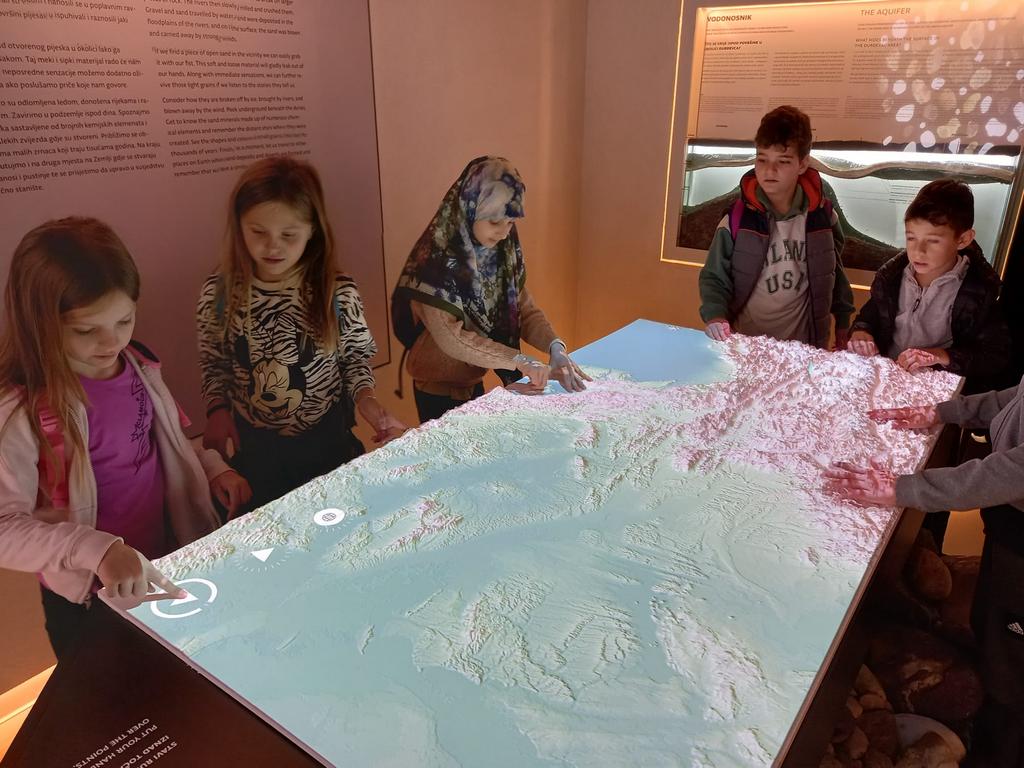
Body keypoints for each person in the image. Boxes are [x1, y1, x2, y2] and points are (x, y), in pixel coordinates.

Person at [0, 217, 246, 657]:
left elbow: (166, 440)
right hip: (89, 599)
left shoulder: (137, 365)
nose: (110, 341)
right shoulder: (21, 409)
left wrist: (213, 468)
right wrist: (98, 551)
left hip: (163, 563)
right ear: (40, 324)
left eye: (124, 320)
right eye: (86, 330)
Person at [824, 388, 1024, 765]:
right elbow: (1018, 397)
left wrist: (904, 488)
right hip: (1009, 528)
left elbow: (1012, 471)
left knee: (1012, 669)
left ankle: (999, 749)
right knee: (991, 620)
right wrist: (948, 411)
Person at [198, 156, 406, 514]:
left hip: (327, 442)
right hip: (257, 450)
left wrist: (368, 401)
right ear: (239, 226)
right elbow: (214, 362)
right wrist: (216, 409)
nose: (272, 246)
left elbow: (354, 359)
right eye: (258, 232)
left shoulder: (336, 292)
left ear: (312, 231)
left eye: (288, 235)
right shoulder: (218, 294)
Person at [391, 155, 590, 423]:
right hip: (436, 389)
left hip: (473, 379)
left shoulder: (499, 254)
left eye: (511, 222)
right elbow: (453, 339)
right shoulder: (435, 262)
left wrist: (556, 347)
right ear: (470, 209)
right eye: (495, 222)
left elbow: (523, 310)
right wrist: (518, 360)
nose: (504, 233)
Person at [699, 105, 855, 350]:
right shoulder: (737, 219)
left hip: (804, 348)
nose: (769, 170)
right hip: (745, 344)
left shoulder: (823, 217)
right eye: (762, 159)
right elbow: (714, 276)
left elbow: (834, 272)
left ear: (802, 164)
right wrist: (715, 315)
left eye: (783, 161)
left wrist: (843, 322)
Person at [847, 179, 1009, 388]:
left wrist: (942, 356)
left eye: (933, 241)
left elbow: (995, 355)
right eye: (911, 238)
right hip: (886, 380)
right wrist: (861, 332)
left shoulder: (978, 293)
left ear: (963, 239)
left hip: (935, 390)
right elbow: (869, 316)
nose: (918, 251)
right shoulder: (890, 279)